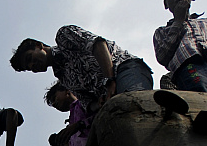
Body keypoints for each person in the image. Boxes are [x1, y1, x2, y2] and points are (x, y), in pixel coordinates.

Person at [10, 27, 153, 113]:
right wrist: (99, 103)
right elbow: (86, 102)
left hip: (124, 69)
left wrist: (109, 80)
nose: (31, 66)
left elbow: (98, 44)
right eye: (28, 68)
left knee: (137, 104)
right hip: (112, 97)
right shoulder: (62, 77)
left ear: (38, 45)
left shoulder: (64, 36)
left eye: (29, 58)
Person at [153, 0, 207, 93]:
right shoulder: (161, 31)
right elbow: (162, 57)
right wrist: (178, 22)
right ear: (165, 4)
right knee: (204, 96)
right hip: (189, 64)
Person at [44, 82, 93, 146]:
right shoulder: (71, 120)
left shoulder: (83, 102)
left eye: (54, 98)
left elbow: (101, 113)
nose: (54, 104)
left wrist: (80, 124)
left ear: (67, 91)